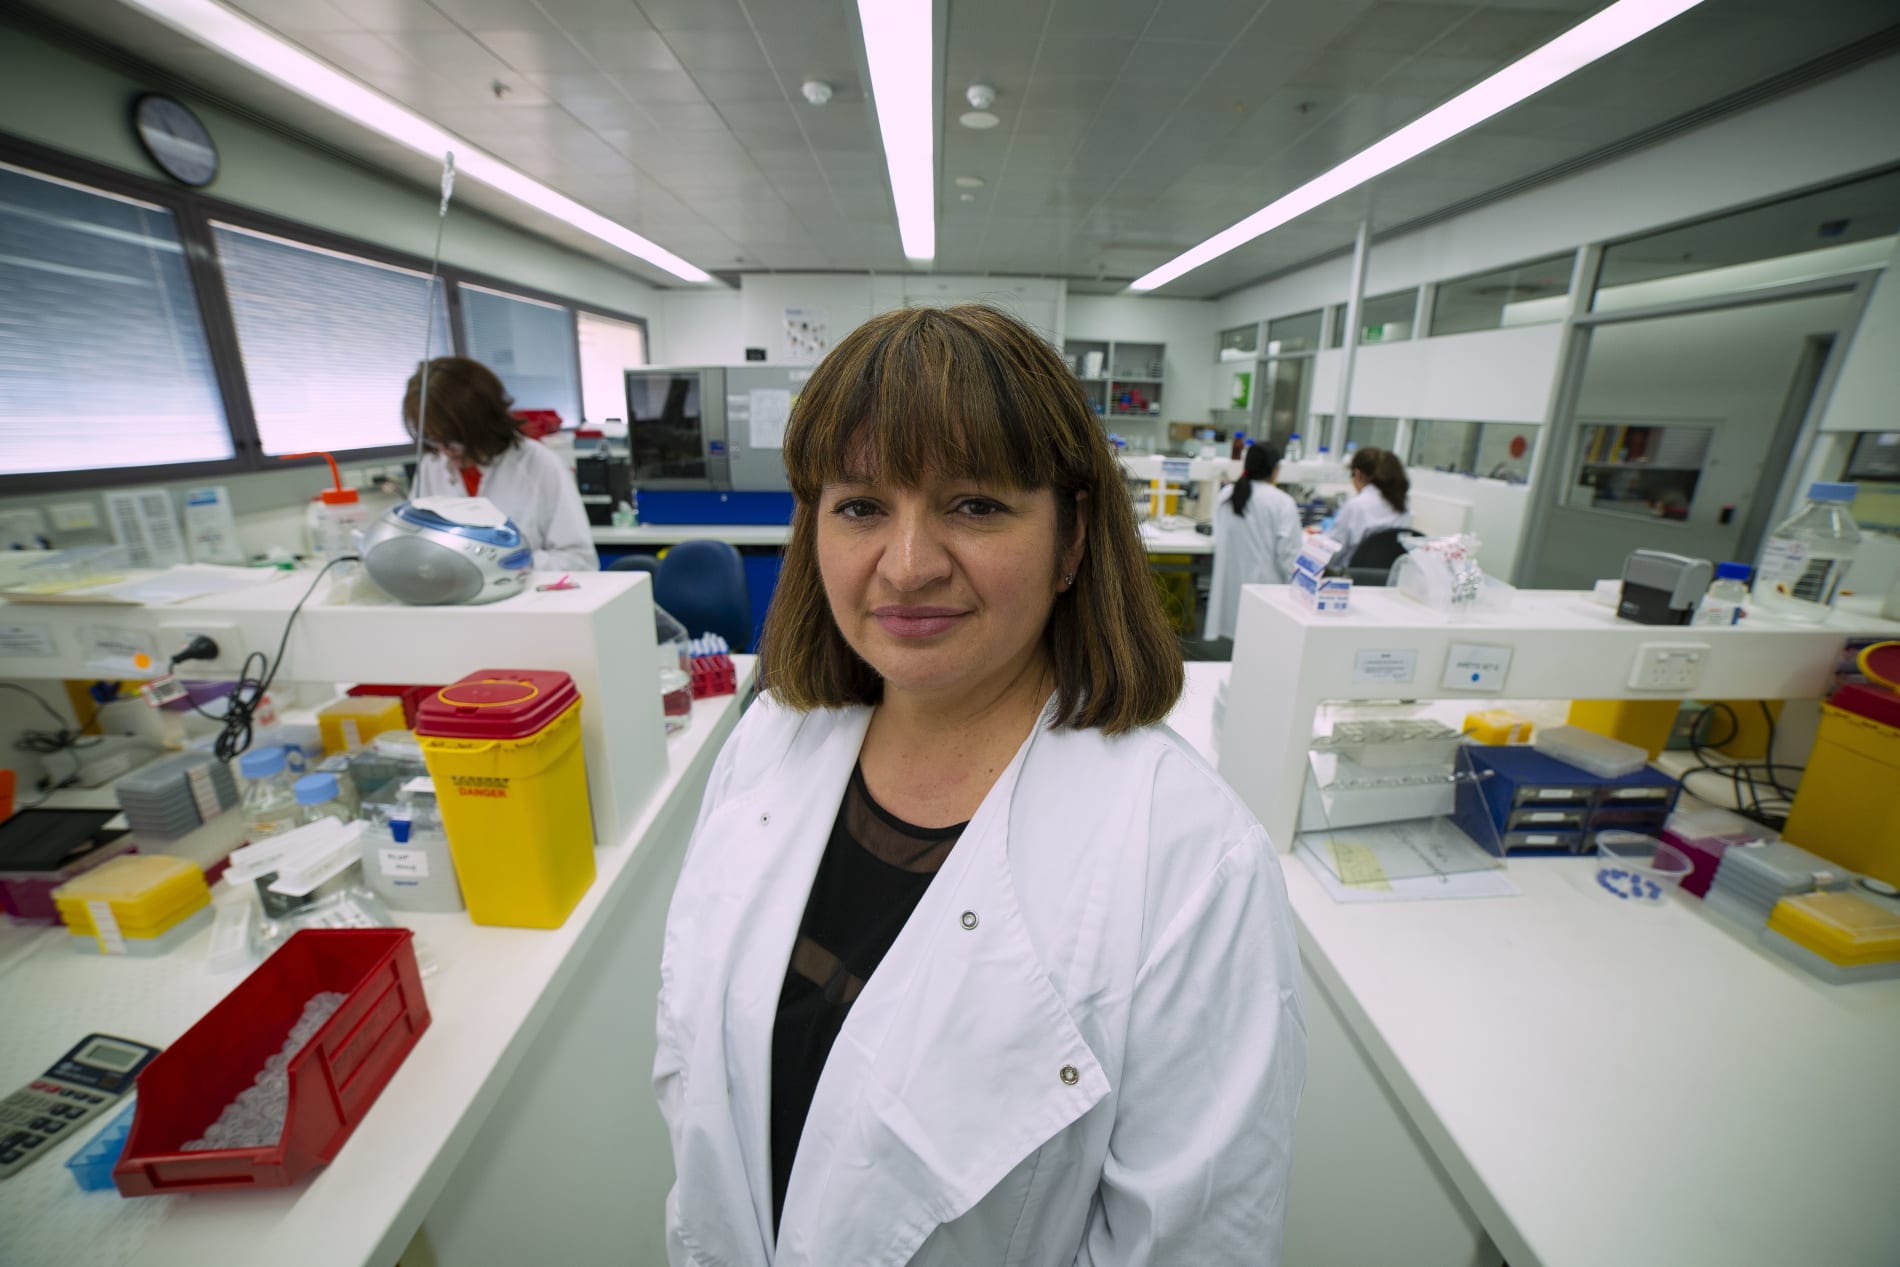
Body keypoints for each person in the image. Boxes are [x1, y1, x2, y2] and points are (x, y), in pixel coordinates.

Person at [653, 305, 1305, 1267]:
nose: (908, 566)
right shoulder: (767, 746)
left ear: (1072, 539)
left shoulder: (1192, 860)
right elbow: (699, 1077)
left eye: (975, 505)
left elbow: (1194, 1244)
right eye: (862, 506)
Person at [402, 357, 597, 572]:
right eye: (431, 438)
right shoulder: (433, 465)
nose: (443, 450)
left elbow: (581, 561)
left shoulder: (540, 465)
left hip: (527, 600)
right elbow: (412, 541)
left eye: (452, 439)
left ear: (483, 422)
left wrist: (513, 562)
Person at [1204, 441, 1304, 641]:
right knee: (1261, 642)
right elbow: (1289, 556)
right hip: (1267, 590)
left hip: (1232, 591)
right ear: (1275, 470)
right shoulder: (1282, 502)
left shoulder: (1227, 494)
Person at [1328, 445, 1411, 560]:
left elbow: (1332, 551)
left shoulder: (1356, 506)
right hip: (1384, 576)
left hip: (1348, 575)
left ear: (1357, 474)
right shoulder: (1403, 506)